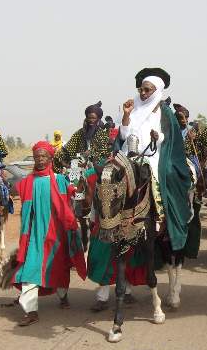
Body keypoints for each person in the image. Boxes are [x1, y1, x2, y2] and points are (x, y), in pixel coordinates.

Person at [89, 68, 193, 311]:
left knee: (167, 176)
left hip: (156, 157)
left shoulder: (166, 112)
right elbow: (123, 136)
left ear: (157, 91)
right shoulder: (132, 107)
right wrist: (126, 116)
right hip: (127, 157)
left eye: (147, 90)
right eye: (141, 89)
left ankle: (169, 219)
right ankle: (96, 215)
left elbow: (172, 141)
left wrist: (159, 137)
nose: (143, 93)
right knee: (102, 177)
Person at [12, 141, 87, 326]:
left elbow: (76, 194)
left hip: (57, 235)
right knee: (30, 271)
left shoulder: (60, 180)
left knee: (59, 268)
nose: (40, 159)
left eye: (43, 156)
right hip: (34, 236)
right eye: (37, 156)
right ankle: (31, 312)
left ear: (50, 158)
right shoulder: (27, 182)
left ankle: (63, 296)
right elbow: (16, 196)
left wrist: (80, 183)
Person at [53, 101, 111, 172]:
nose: (91, 120)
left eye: (93, 118)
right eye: (89, 118)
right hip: (78, 165)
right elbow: (68, 148)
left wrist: (91, 153)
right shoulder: (79, 133)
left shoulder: (103, 135)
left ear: (98, 119)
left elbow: (105, 153)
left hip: (97, 168)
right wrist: (59, 157)